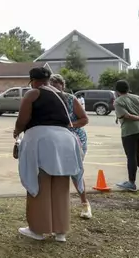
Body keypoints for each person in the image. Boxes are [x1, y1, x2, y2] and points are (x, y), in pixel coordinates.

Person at [13, 67, 84, 242]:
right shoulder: (62, 95)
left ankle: (37, 230)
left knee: (40, 184)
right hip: (66, 140)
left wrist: (17, 131)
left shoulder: (32, 94)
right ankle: (61, 232)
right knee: (61, 186)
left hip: (41, 141)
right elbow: (71, 119)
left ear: (32, 81)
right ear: (48, 79)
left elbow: (22, 119)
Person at [49, 74, 92, 219]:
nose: (54, 87)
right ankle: (58, 205)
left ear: (63, 85)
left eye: (57, 84)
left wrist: (68, 125)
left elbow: (84, 119)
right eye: (51, 84)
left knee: (75, 171)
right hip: (56, 139)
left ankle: (85, 204)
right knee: (55, 172)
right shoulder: (46, 100)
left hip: (75, 139)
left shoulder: (70, 99)